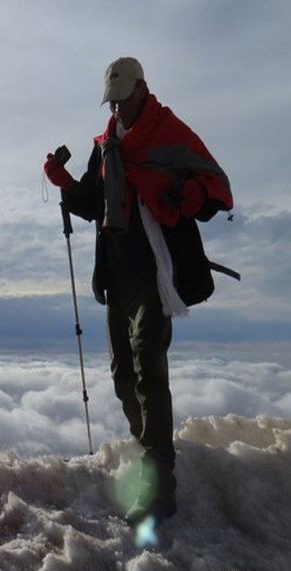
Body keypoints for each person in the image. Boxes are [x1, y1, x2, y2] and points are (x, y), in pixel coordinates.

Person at [44, 57, 233, 526]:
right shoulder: (106, 145)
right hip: (116, 270)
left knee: (148, 362)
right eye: (113, 100)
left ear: (143, 89)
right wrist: (67, 185)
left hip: (154, 267)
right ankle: (156, 448)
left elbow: (215, 184)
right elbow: (95, 202)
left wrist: (196, 198)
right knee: (122, 374)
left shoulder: (170, 132)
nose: (119, 108)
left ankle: (159, 480)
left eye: (124, 98)